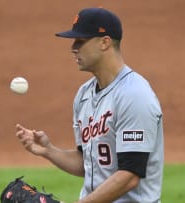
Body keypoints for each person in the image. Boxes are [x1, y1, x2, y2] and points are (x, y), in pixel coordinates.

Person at [16, 7, 164, 203]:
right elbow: (89, 164)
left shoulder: (134, 95)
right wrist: (48, 150)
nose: (73, 47)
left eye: (81, 40)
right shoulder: (84, 95)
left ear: (104, 42)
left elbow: (129, 176)